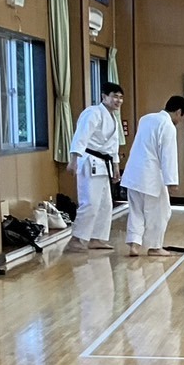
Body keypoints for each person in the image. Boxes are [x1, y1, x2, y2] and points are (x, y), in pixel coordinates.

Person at [120, 95, 184, 257]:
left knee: (136, 211)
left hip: (133, 173)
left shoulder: (146, 119)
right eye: (183, 117)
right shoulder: (168, 125)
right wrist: (171, 181)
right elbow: (168, 155)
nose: (181, 121)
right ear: (178, 112)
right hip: (150, 176)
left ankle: (134, 244)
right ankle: (155, 246)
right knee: (161, 212)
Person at [65, 81, 123, 251]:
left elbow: (113, 146)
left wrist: (116, 166)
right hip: (89, 161)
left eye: (121, 97)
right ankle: (76, 239)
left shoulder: (113, 118)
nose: (118, 101)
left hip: (103, 164)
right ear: (104, 96)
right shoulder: (93, 112)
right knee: (89, 202)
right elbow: (81, 136)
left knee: (105, 204)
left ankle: (96, 238)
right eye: (115, 96)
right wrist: (73, 159)